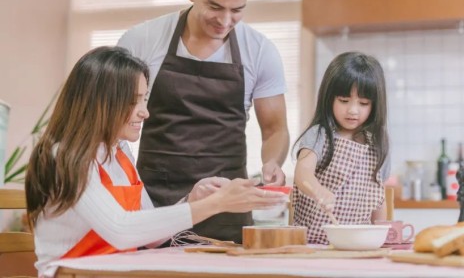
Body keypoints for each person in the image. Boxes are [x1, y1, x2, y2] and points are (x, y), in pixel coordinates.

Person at [25, 47, 287, 276]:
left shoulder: (120, 153)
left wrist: (192, 201)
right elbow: (121, 230)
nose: (145, 111)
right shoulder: (63, 157)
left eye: (144, 98)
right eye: (132, 101)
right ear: (99, 103)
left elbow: (150, 236)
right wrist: (214, 204)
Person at [117, 0, 289, 243]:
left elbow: (275, 129)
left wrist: (272, 162)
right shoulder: (142, 41)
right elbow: (113, 119)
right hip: (154, 199)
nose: (224, 21)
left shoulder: (260, 51)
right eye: (214, 6)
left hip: (226, 203)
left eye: (237, 10)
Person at [292, 51, 390, 244]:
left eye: (363, 103)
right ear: (329, 98)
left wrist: (383, 234)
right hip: (313, 243)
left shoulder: (377, 144)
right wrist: (318, 191)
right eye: (344, 101)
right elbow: (302, 174)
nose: (353, 110)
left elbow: (379, 195)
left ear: (375, 105)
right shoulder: (319, 134)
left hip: (359, 243)